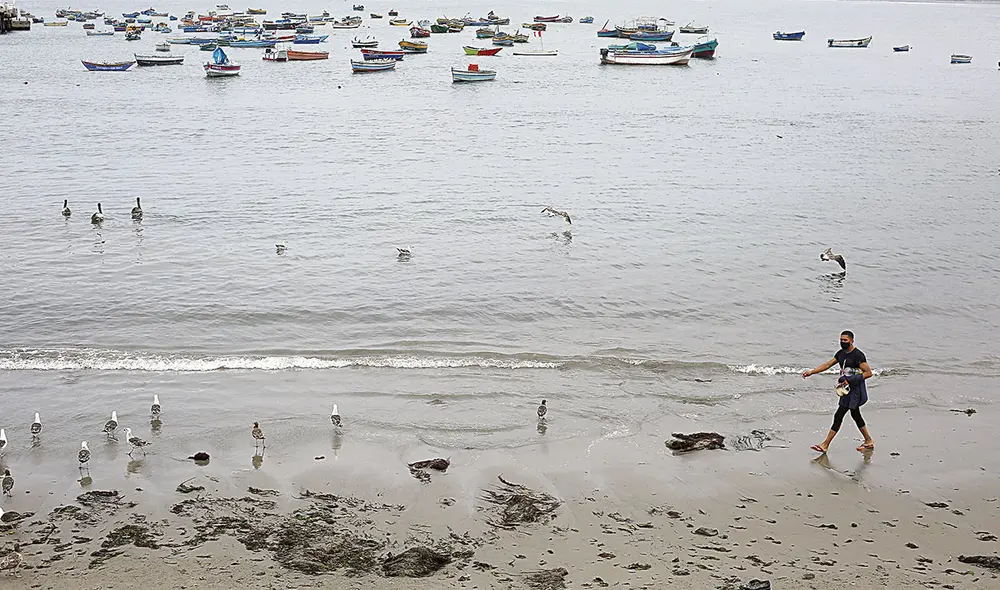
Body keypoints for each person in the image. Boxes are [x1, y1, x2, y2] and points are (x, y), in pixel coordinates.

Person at [802, 330, 875, 453]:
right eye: (841, 340)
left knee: (841, 414)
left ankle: (825, 445)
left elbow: (868, 373)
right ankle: (868, 441)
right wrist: (811, 372)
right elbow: (827, 365)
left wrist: (850, 380)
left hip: (856, 390)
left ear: (852, 341)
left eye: (845, 340)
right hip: (846, 389)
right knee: (853, 414)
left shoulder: (858, 355)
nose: (842, 342)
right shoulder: (841, 353)